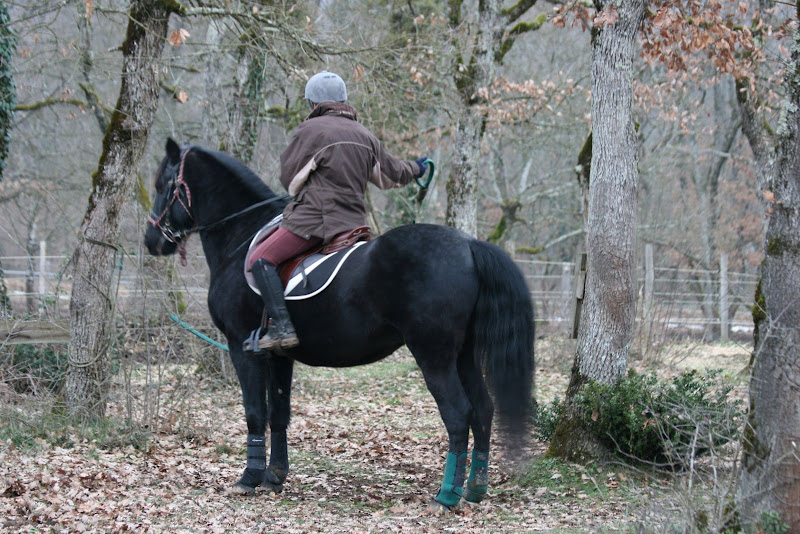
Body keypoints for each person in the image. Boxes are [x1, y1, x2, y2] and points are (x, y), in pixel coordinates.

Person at [245, 71, 429, 353]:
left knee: (260, 260)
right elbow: (390, 176)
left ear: (313, 103)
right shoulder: (364, 135)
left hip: (313, 223)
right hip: (354, 224)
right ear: (343, 100)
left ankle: (281, 327)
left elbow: (291, 182)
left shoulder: (311, 131)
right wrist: (417, 168)